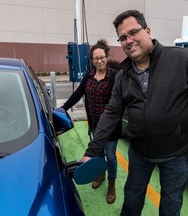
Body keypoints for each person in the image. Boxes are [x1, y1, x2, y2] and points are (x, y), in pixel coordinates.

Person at [82, 10, 188, 215]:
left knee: (171, 203)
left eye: (133, 32)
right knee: (132, 196)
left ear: (147, 31)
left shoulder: (183, 59)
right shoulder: (123, 75)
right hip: (139, 154)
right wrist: (92, 151)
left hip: (177, 154)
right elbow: (111, 112)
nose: (128, 41)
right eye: (122, 38)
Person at [62, 39, 121, 204]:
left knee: (111, 156)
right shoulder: (89, 76)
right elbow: (77, 94)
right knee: (98, 153)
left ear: (106, 57)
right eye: (96, 58)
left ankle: (111, 184)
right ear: (92, 60)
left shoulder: (115, 76)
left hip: (111, 127)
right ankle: (100, 174)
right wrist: (63, 108)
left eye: (102, 57)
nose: (100, 61)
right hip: (95, 124)